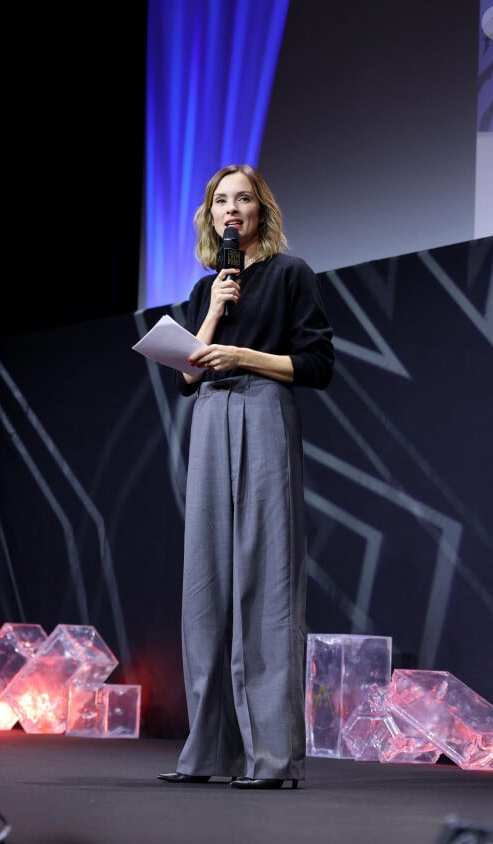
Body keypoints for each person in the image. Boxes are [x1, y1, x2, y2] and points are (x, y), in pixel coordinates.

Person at [158, 164, 335, 790]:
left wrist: (243, 355)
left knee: (265, 581)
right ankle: (207, 754)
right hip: (209, 417)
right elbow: (185, 375)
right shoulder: (209, 288)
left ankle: (271, 758)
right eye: (220, 201)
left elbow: (317, 364)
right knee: (205, 582)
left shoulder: (291, 274)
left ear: (262, 209)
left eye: (242, 199)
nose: (231, 209)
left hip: (262, 409)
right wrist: (212, 316)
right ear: (210, 215)